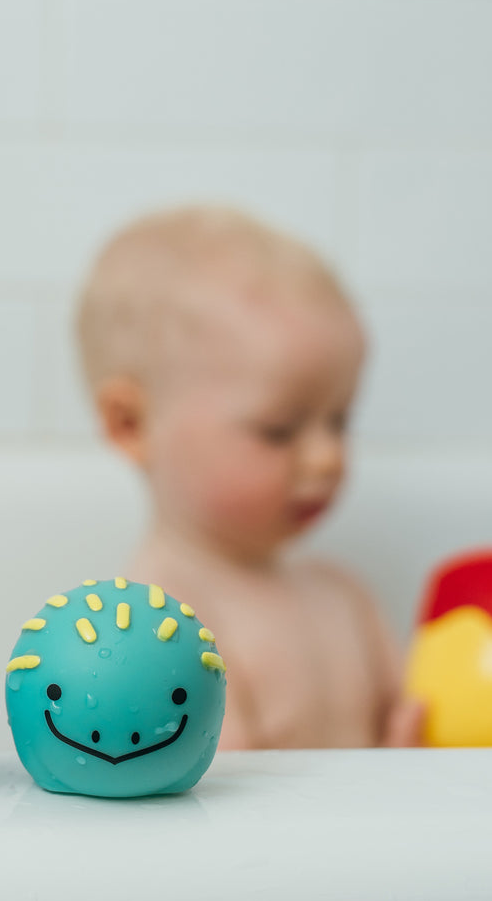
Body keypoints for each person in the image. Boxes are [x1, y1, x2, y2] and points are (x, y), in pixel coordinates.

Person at [76, 205, 424, 749]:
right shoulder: (160, 623)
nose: (328, 457)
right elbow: (209, 810)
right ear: (132, 424)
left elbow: (405, 771)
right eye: (279, 430)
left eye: (340, 419)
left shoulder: (347, 599)